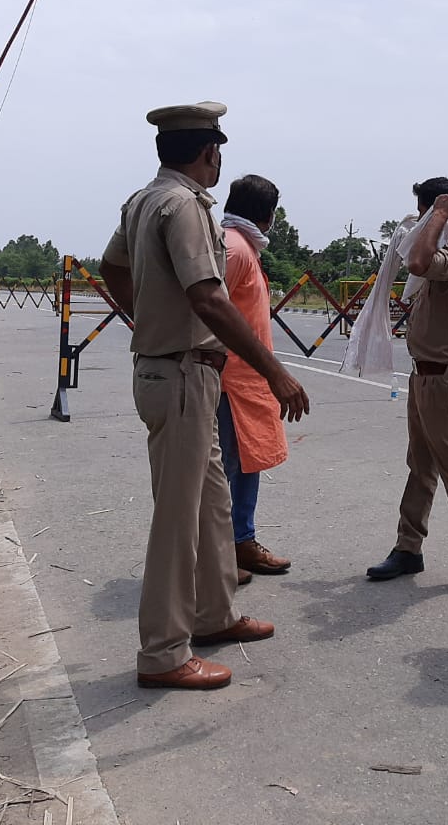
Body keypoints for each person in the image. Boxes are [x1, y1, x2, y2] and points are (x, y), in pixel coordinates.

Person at [100, 101, 310, 692]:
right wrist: (276, 372)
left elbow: (112, 266)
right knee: (178, 517)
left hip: (182, 371)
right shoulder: (186, 205)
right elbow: (210, 298)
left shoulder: (143, 199)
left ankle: (213, 615)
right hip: (183, 374)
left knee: (212, 506)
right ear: (209, 153)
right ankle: (164, 652)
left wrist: (146, 316)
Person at [366, 177, 448, 599]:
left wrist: (437, 215)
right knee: (419, 467)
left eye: (424, 214)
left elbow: (419, 263)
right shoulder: (443, 245)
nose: (420, 223)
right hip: (425, 377)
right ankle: (408, 548)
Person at [217, 174, 293, 577]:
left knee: (247, 463)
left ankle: (240, 541)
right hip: (231, 380)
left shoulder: (244, 247)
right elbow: (209, 308)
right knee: (228, 466)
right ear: (267, 215)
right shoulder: (234, 249)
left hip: (248, 379)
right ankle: (222, 551)